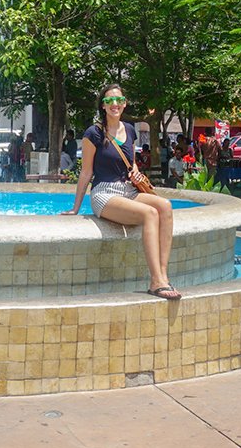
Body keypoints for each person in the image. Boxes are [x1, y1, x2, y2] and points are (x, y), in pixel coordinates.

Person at [63, 84, 179, 300]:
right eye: (108, 101)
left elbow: (131, 165)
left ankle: (163, 274)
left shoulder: (130, 129)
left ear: (125, 103)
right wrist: (75, 207)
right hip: (104, 193)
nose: (114, 104)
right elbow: (86, 171)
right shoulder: (94, 133)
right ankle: (155, 281)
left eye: (118, 100)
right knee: (149, 213)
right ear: (103, 106)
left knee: (165, 206)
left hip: (127, 189)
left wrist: (135, 174)